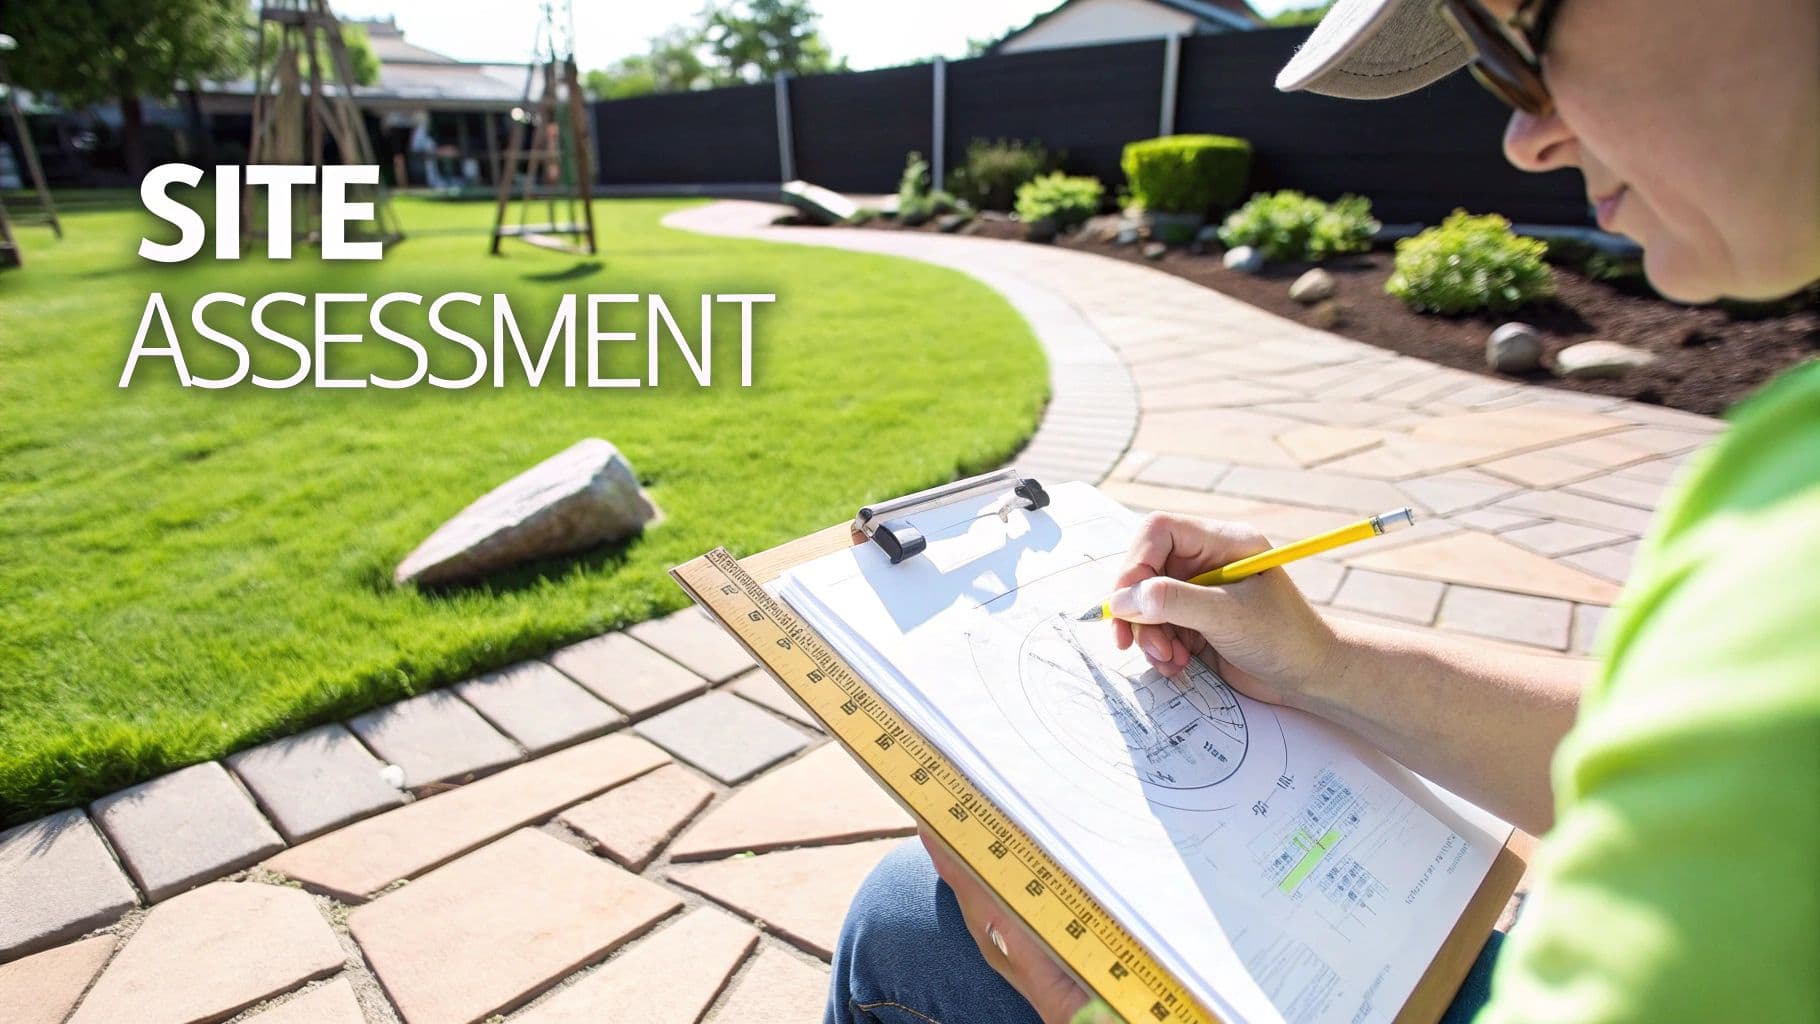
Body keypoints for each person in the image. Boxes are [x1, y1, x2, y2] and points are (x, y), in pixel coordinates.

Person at [826, 0, 1820, 1021]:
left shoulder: (1786, 521)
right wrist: (1324, 660)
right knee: (908, 905)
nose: (1527, 137)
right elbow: (1665, 743)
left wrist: (1098, 1004)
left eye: (1512, 43)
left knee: (911, 935)